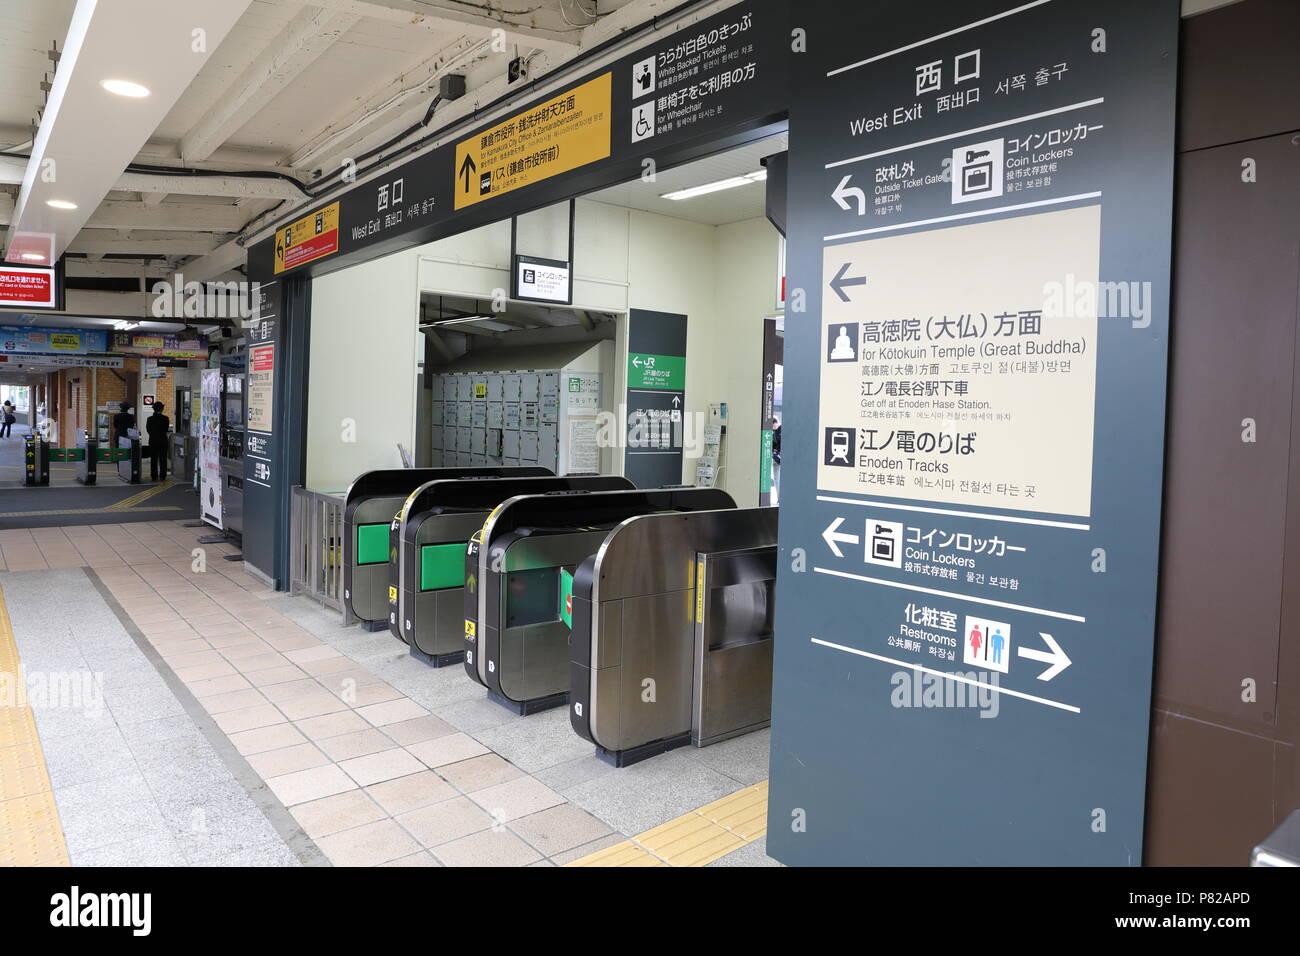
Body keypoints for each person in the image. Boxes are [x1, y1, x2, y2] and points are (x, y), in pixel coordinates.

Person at [145, 401, 171, 482]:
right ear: (162, 409)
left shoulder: (149, 419)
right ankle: (163, 476)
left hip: (153, 441)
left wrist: (153, 435)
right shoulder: (165, 418)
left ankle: (154, 476)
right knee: (163, 459)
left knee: (154, 459)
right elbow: (166, 430)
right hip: (163, 441)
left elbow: (148, 430)